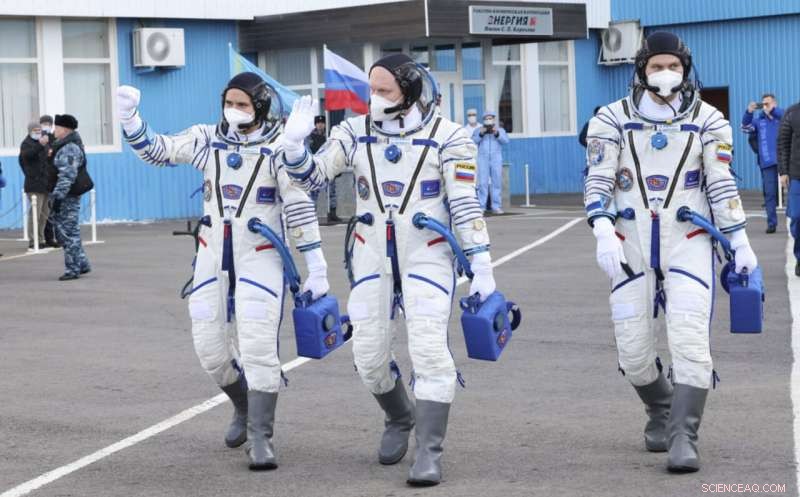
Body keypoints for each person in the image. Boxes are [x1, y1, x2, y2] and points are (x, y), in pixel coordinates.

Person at [277, 53, 496, 486]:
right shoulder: (353, 133)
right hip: (371, 255)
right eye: (371, 91)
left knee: (430, 349)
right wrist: (294, 148)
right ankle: (399, 416)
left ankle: (429, 452)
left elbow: (466, 202)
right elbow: (313, 179)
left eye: (384, 91)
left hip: (428, 253)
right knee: (369, 356)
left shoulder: (449, 137)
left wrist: (482, 262)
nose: (374, 99)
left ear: (410, 91)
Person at [116, 72, 330, 471]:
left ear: (261, 108)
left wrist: (316, 265)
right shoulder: (207, 139)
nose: (233, 110)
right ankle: (243, 406)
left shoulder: (278, 147)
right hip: (212, 257)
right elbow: (159, 151)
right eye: (229, 102)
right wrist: (130, 120)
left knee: (257, 345)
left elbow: (300, 208)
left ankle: (261, 436)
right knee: (210, 349)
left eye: (243, 104)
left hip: (260, 256)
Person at [584, 32, 758, 473]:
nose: (666, 74)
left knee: (689, 342)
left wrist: (739, 240)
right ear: (641, 68)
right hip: (629, 240)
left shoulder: (709, 120)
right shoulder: (611, 118)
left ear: (686, 69)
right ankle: (660, 406)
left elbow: (721, 183)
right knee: (634, 353)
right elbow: (599, 177)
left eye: (674, 66)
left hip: (689, 240)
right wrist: (602, 229)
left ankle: (684, 435)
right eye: (658, 65)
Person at [50, 114, 93, 281]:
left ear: (65, 130)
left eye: (57, 127)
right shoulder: (63, 145)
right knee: (68, 232)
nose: (54, 130)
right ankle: (82, 264)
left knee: (68, 233)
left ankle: (72, 269)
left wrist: (58, 198)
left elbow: (67, 175)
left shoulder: (69, 148)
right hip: (65, 195)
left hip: (67, 196)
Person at [742, 94, 784, 233]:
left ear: (775, 104)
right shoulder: (759, 122)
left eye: (768, 103)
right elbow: (745, 128)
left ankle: (795, 221)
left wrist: (773, 110)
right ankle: (772, 224)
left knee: (794, 191)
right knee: (770, 194)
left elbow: (786, 117)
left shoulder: (783, 117)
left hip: (785, 160)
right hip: (767, 162)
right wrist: (749, 112)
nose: (765, 106)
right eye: (763, 104)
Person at [18, 121, 53, 248]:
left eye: (40, 130)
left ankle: (41, 238)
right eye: (35, 131)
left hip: (45, 183)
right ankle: (33, 241)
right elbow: (27, 156)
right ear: (30, 131)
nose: (38, 133)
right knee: (35, 213)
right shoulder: (26, 144)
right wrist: (40, 144)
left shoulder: (43, 143)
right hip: (33, 184)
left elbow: (48, 157)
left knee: (44, 213)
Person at [778, 100, 800, 277]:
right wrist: (783, 171)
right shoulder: (792, 112)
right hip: (797, 175)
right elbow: (783, 143)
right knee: (797, 218)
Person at [471, 110, 509, 214]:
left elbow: (505, 141)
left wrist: (497, 134)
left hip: (496, 158)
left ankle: (496, 206)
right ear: (483, 120)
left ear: (493, 119)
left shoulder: (500, 130)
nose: (488, 120)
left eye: (490, 118)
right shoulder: (478, 130)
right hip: (482, 158)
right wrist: (481, 134)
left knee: (496, 182)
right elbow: (473, 141)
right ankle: (481, 206)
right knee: (482, 182)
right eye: (486, 118)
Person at [306, 115, 340, 223]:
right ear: (315, 124)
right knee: (313, 193)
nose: (320, 125)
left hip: (328, 167)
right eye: (318, 123)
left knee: (331, 192)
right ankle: (312, 216)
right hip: (315, 168)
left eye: (322, 123)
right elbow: (307, 150)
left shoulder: (329, 136)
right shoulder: (310, 136)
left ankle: (332, 214)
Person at [39, 115, 60, 247]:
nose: (46, 126)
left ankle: (54, 237)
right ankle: (45, 238)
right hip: (43, 180)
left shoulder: (55, 139)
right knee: (44, 212)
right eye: (44, 123)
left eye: (48, 123)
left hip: (54, 178)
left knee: (53, 211)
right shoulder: (38, 140)